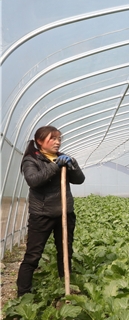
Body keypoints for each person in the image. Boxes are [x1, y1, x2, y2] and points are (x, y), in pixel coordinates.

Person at [16, 126, 85, 296]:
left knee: (65, 252)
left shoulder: (62, 158)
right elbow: (33, 180)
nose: (57, 142)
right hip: (42, 215)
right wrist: (55, 166)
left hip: (64, 213)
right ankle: (23, 295)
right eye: (52, 138)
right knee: (33, 255)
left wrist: (73, 164)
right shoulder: (32, 160)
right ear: (40, 141)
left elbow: (79, 180)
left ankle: (65, 288)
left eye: (59, 139)